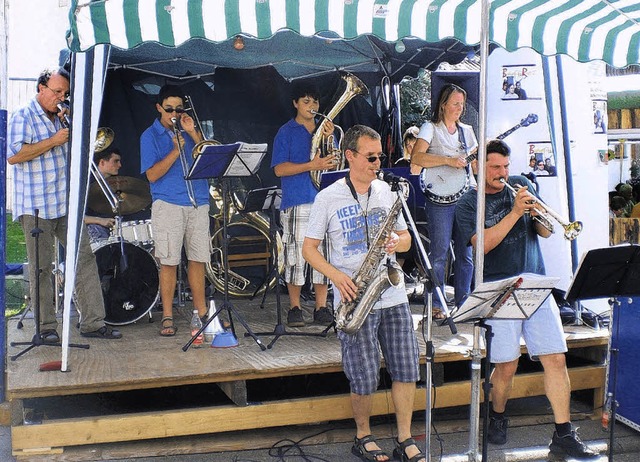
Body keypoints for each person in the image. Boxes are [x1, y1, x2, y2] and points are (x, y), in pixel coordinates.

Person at [455, 139, 598, 459]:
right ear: (478, 166)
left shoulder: (521, 184)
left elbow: (545, 233)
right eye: (494, 167)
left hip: (536, 280)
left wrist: (539, 213)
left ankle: (563, 433)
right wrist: (516, 211)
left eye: (505, 166)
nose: (502, 173)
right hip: (499, 284)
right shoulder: (469, 202)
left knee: (556, 358)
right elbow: (482, 246)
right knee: (506, 365)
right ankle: (498, 415)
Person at [302, 125, 424, 462]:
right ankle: (363, 435)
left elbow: (407, 239)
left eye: (379, 157)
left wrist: (399, 242)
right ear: (350, 156)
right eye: (370, 157)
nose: (376, 163)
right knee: (364, 373)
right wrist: (336, 277)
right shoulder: (327, 198)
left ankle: (404, 437)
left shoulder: (386, 191)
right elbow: (309, 249)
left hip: (391, 293)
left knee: (406, 367)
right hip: (354, 295)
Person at [7, 67, 122, 341]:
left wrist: (71, 128)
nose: (61, 97)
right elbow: (14, 155)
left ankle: (93, 323)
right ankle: (46, 328)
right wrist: (52, 141)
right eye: (57, 92)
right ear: (41, 89)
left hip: (64, 202)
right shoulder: (23, 117)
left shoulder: (62, 119)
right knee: (42, 267)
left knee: (84, 259)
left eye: (65, 93)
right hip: (36, 206)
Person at [140, 84, 210, 337]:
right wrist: (175, 150)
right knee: (169, 261)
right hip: (168, 203)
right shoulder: (150, 135)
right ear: (159, 107)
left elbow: (209, 158)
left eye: (179, 109)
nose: (174, 113)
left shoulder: (191, 129)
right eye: (169, 108)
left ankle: (202, 313)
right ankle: (167, 315)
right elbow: (152, 175)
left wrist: (192, 133)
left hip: (198, 201)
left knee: (198, 259)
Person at [271, 82, 334, 327]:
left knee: (323, 255)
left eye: (315, 102)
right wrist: (311, 166)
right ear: (295, 103)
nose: (312, 106)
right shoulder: (286, 131)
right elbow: (279, 169)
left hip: (325, 201)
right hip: (297, 200)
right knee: (296, 255)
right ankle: (295, 307)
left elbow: (336, 165)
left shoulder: (327, 130)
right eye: (306, 101)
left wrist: (330, 139)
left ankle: (321, 306)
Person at [411, 83, 476, 318]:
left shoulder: (466, 131)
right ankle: (438, 304)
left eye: (462, 104)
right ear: (444, 104)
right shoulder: (430, 127)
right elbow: (416, 158)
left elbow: (475, 166)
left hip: (465, 197)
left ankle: (464, 304)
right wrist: (449, 161)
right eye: (455, 103)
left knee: (466, 254)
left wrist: (479, 159)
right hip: (439, 199)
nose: (460, 108)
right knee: (439, 254)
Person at [84, 148, 122, 242]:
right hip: (93, 231)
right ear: (102, 162)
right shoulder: (85, 184)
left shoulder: (114, 185)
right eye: (115, 161)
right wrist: (100, 221)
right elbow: (76, 217)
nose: (119, 165)